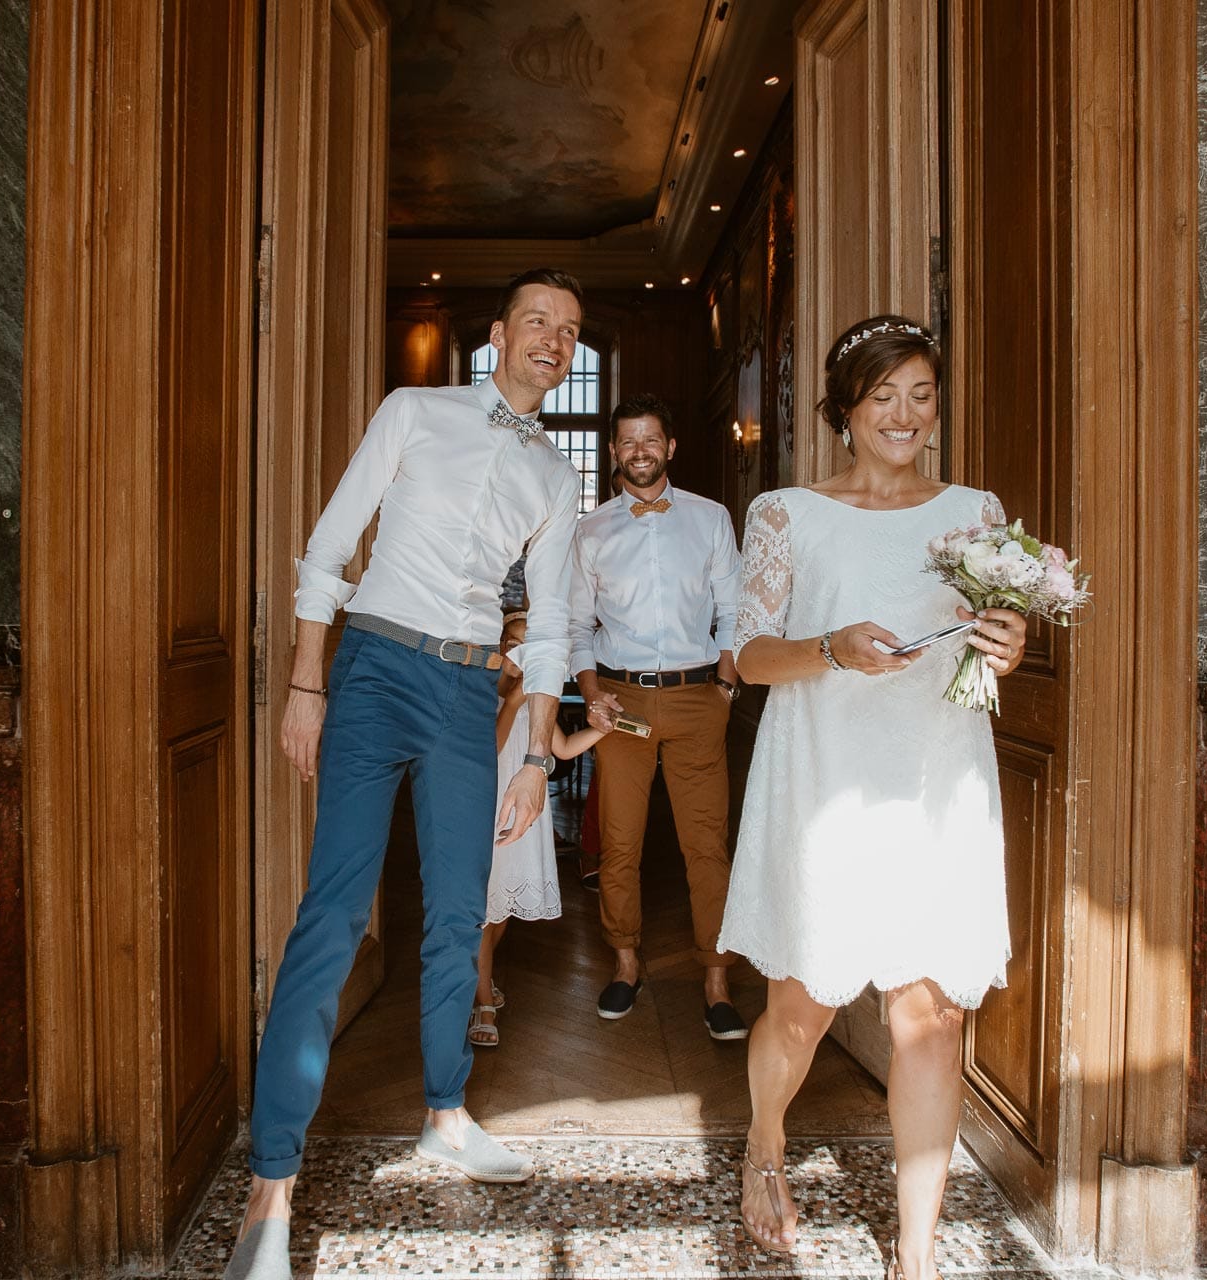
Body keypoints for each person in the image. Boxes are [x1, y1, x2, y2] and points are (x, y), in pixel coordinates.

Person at [221, 270, 586, 1280]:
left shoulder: (557, 480)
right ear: (498, 333)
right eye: (536, 323)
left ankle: (443, 1111)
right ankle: (272, 1180)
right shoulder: (413, 411)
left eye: (568, 331)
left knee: (455, 909)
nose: (552, 341)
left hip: (472, 695)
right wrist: (307, 684)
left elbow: (549, 626)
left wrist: (533, 756)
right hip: (374, 667)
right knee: (333, 911)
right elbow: (331, 545)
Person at [717, 316, 1030, 1280]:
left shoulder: (976, 512)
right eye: (882, 396)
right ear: (844, 412)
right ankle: (765, 1140)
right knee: (802, 1008)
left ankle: (920, 1253)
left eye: (921, 395)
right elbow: (742, 658)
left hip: (937, 781)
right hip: (826, 784)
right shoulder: (787, 513)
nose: (904, 415)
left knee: (927, 1018)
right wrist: (828, 648)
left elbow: (995, 632)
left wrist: (1009, 643)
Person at [568, 394, 748, 1038]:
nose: (639, 452)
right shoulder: (590, 532)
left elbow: (735, 613)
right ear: (613, 450)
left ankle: (717, 977)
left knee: (708, 847)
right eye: (628, 442)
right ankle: (624, 963)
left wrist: (724, 689)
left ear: (670, 448)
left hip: (700, 698)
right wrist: (592, 695)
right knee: (620, 844)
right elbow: (576, 627)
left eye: (651, 440)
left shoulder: (710, 519)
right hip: (621, 703)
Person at [469, 610, 609, 1047]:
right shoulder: (481, 692)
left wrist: (602, 730)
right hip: (486, 808)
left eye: (527, 647)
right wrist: (512, 699)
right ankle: (483, 1003)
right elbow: (489, 748)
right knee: (482, 915)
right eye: (512, 644)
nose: (518, 654)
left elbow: (564, 748)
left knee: (503, 908)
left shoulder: (538, 701)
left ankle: (483, 985)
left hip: (523, 815)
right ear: (499, 647)